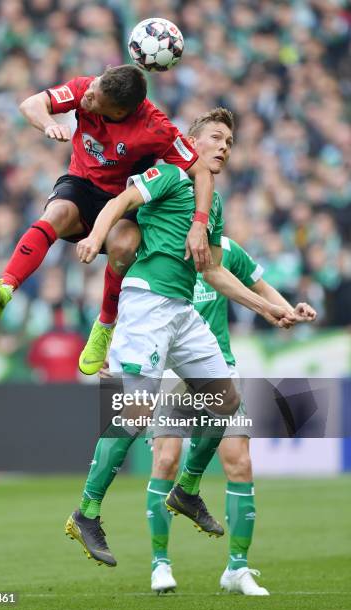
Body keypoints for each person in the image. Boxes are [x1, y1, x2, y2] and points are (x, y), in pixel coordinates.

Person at [65, 108, 295, 568]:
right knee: (135, 413)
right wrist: (96, 235)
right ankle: (86, 511)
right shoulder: (170, 173)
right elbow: (119, 203)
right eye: (216, 137)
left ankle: (187, 490)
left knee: (225, 403)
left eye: (230, 141)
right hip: (147, 302)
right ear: (193, 140)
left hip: (183, 311)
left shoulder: (214, 205)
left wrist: (267, 307)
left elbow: (212, 270)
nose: (225, 147)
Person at [0, 64, 214, 359]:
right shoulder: (85, 87)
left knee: (124, 246)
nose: (87, 94)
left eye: (94, 97)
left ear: (117, 112)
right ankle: (5, 288)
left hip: (124, 199)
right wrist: (48, 123)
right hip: (81, 185)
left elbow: (202, 173)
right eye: (92, 87)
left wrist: (199, 224)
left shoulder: (156, 129)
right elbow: (31, 104)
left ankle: (104, 326)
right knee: (56, 215)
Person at [148, 234, 316, 595]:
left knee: (239, 462)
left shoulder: (224, 248)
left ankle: (237, 569)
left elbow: (260, 285)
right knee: (166, 460)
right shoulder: (157, 244)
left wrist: (289, 309)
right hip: (171, 371)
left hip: (219, 369)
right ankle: (160, 563)